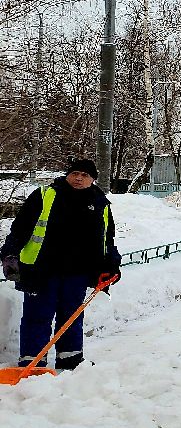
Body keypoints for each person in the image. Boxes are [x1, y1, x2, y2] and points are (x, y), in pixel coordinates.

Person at [2, 157, 122, 372]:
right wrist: (10, 254)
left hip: (77, 273)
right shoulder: (44, 195)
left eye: (84, 175)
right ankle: (32, 362)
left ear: (93, 179)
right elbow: (20, 229)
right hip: (41, 270)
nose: (78, 178)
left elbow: (107, 239)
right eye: (74, 173)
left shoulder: (100, 204)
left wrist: (112, 265)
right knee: (37, 316)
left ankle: (70, 360)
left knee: (72, 317)